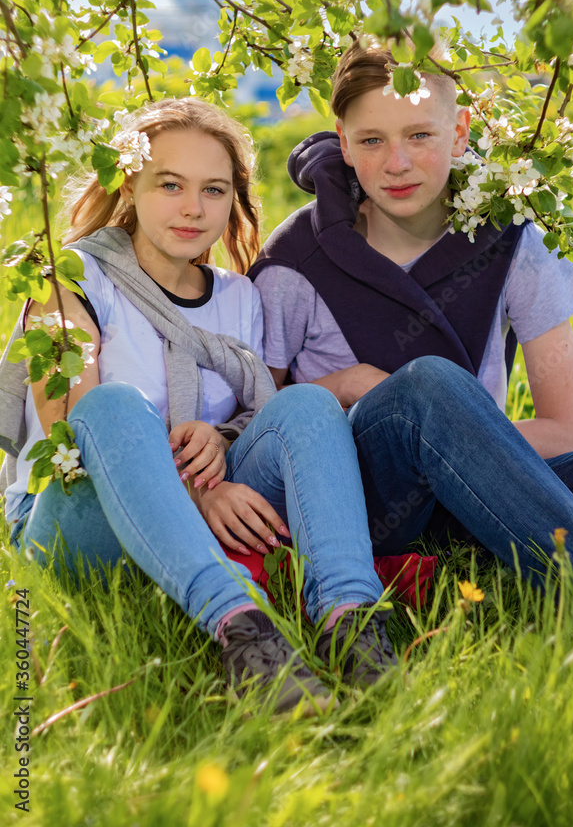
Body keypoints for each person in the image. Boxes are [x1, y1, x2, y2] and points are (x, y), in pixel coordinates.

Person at [0, 97, 397, 714]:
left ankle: (353, 624)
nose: (193, 208)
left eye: (213, 189)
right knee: (112, 404)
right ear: (129, 184)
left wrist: (225, 445)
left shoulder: (240, 298)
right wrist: (199, 490)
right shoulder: (71, 278)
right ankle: (243, 631)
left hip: (201, 499)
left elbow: (251, 423)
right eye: (170, 184)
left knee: (306, 407)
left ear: (233, 198)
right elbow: (74, 438)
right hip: (75, 516)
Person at [249, 40, 573, 590]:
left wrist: (458, 447)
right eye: (371, 140)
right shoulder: (297, 260)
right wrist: (347, 384)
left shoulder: (511, 238)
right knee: (427, 386)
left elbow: (568, 432)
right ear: (345, 144)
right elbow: (252, 427)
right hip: (356, 501)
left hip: (482, 494)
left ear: (461, 132)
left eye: (420, 135)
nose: (397, 164)